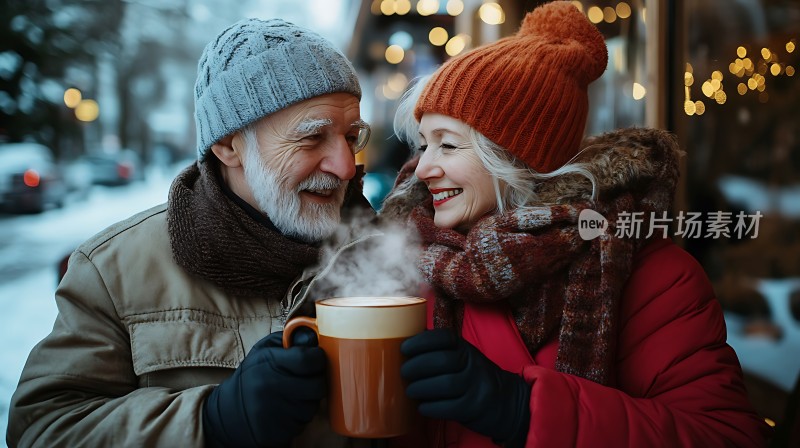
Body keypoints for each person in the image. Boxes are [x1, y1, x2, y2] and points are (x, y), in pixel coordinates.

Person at [380, 2, 771, 447]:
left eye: (447, 146)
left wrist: (526, 410)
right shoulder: (411, 261)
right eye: (424, 145)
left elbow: (727, 436)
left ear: (515, 158)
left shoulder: (651, 277)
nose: (422, 168)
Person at [7, 18, 375, 447]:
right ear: (228, 145)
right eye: (312, 138)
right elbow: (41, 428)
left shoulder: (391, 250)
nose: (346, 166)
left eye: (352, 137)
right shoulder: (114, 271)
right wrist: (211, 421)